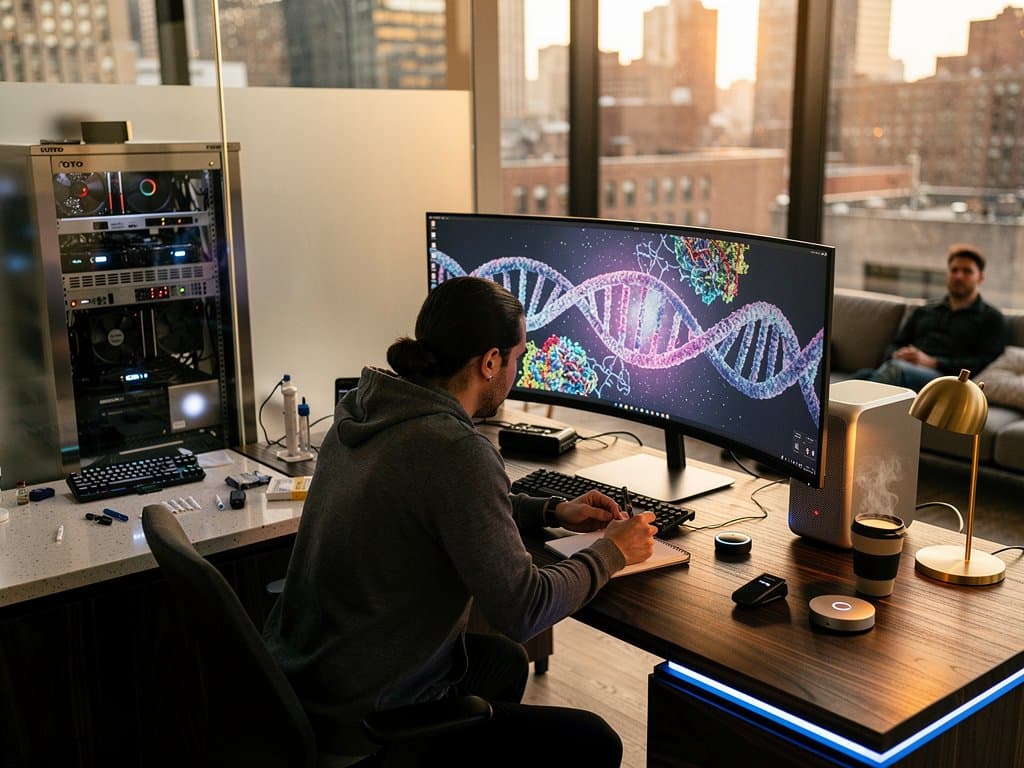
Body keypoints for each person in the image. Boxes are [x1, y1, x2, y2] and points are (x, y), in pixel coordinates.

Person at [263, 276, 657, 767]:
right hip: (364, 724)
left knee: (504, 664)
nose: (517, 371)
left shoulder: (365, 410)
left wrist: (552, 510)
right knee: (595, 741)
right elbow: (524, 609)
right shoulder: (455, 451)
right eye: (517, 358)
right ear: (490, 362)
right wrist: (613, 551)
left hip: (306, 686)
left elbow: (441, 502)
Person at [853, 243, 1007, 390]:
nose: (959, 276)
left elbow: (985, 362)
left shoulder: (991, 318)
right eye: (954, 270)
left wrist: (933, 362)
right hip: (905, 368)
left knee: (893, 371)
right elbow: (895, 344)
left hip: (946, 379)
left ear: (980, 277)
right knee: (861, 377)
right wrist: (898, 354)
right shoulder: (925, 310)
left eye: (967, 271)